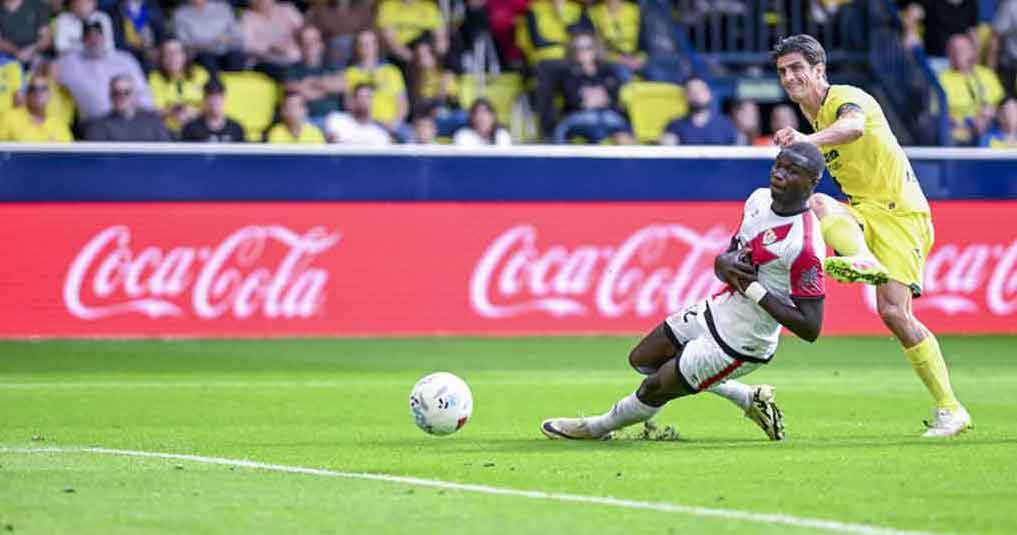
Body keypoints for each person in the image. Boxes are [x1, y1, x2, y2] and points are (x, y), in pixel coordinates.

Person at [542, 143, 828, 441]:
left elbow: (810, 327)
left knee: (653, 388)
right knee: (643, 359)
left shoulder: (804, 246)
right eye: (778, 165)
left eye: (792, 171)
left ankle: (595, 429)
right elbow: (730, 259)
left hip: (742, 342)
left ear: (813, 181)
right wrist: (721, 263)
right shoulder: (758, 199)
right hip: (716, 310)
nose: (779, 174)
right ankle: (748, 398)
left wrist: (753, 289)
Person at [771, 34, 970, 437]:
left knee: (895, 312)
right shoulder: (812, 117)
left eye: (796, 68)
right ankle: (860, 255)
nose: (789, 77)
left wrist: (806, 142)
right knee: (819, 203)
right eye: (782, 71)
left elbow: (855, 127)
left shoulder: (845, 98)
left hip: (901, 214)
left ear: (819, 69)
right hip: (865, 211)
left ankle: (951, 409)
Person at [57, 20, 154, 121]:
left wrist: (148, 114)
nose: (94, 40)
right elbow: (52, 69)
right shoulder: (71, 63)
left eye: (97, 36)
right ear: (83, 41)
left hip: (130, 118)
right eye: (89, 37)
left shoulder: (124, 59)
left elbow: (142, 91)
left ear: (104, 38)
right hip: (96, 122)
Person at [552, 32, 633, 145]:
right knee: (589, 126)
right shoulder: (567, 72)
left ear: (595, 49)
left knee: (620, 131)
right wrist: (596, 98)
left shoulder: (607, 70)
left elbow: (613, 98)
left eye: (588, 47)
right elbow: (572, 100)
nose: (583, 52)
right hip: (578, 116)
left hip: (607, 115)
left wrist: (591, 98)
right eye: (578, 48)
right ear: (572, 51)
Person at [939, 33, 1004, 145]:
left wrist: (992, 112)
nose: (961, 54)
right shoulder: (942, 79)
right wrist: (967, 122)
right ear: (950, 55)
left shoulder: (986, 74)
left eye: (965, 49)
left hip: (992, 126)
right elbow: (939, 114)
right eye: (957, 50)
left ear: (972, 51)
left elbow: (1002, 104)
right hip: (961, 130)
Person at [82, 74, 171, 141]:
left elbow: (166, 152)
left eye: (126, 92)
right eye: (116, 93)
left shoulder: (153, 121)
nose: (121, 97)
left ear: (135, 95)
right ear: (110, 96)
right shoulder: (98, 126)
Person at [148, 38, 210, 134]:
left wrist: (194, 112)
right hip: (168, 131)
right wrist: (173, 112)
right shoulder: (155, 78)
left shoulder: (200, 73)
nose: (173, 57)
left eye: (176, 52)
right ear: (162, 58)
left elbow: (214, 104)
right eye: (168, 53)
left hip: (200, 129)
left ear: (184, 55)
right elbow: (155, 111)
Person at [285, 25, 345, 121]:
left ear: (321, 44)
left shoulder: (333, 66)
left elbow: (342, 85)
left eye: (314, 40)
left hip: (334, 119)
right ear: (300, 46)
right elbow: (298, 91)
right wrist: (327, 88)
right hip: (306, 121)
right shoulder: (292, 69)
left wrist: (313, 83)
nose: (310, 45)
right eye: (305, 41)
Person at [660, 77, 739, 145]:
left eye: (701, 90)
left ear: (709, 94)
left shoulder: (726, 126)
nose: (697, 94)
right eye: (691, 91)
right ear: (684, 96)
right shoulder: (675, 126)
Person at [173, 0, 245, 74]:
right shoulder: (181, 13)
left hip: (224, 50)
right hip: (199, 53)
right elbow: (183, 42)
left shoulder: (223, 8)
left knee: (236, 57)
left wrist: (226, 39)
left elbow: (236, 34)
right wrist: (204, 46)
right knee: (206, 59)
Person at [0, 71, 73, 141]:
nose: (38, 93)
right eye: (33, 89)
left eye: (43, 88)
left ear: (49, 95)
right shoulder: (9, 117)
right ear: (26, 95)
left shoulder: (58, 124)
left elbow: (69, 149)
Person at [322, 82, 392, 145]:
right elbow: (332, 145)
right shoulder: (336, 119)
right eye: (361, 97)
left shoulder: (380, 133)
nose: (364, 101)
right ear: (353, 100)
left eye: (368, 97)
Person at [180, 78, 245, 142]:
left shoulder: (236, 129)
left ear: (224, 99)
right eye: (210, 97)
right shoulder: (191, 129)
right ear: (204, 100)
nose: (214, 102)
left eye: (217, 97)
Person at [0, 0, 51, 67]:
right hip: (7, 57)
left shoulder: (37, 5)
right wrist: (17, 52)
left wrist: (32, 50)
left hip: (35, 55)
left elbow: (46, 39)